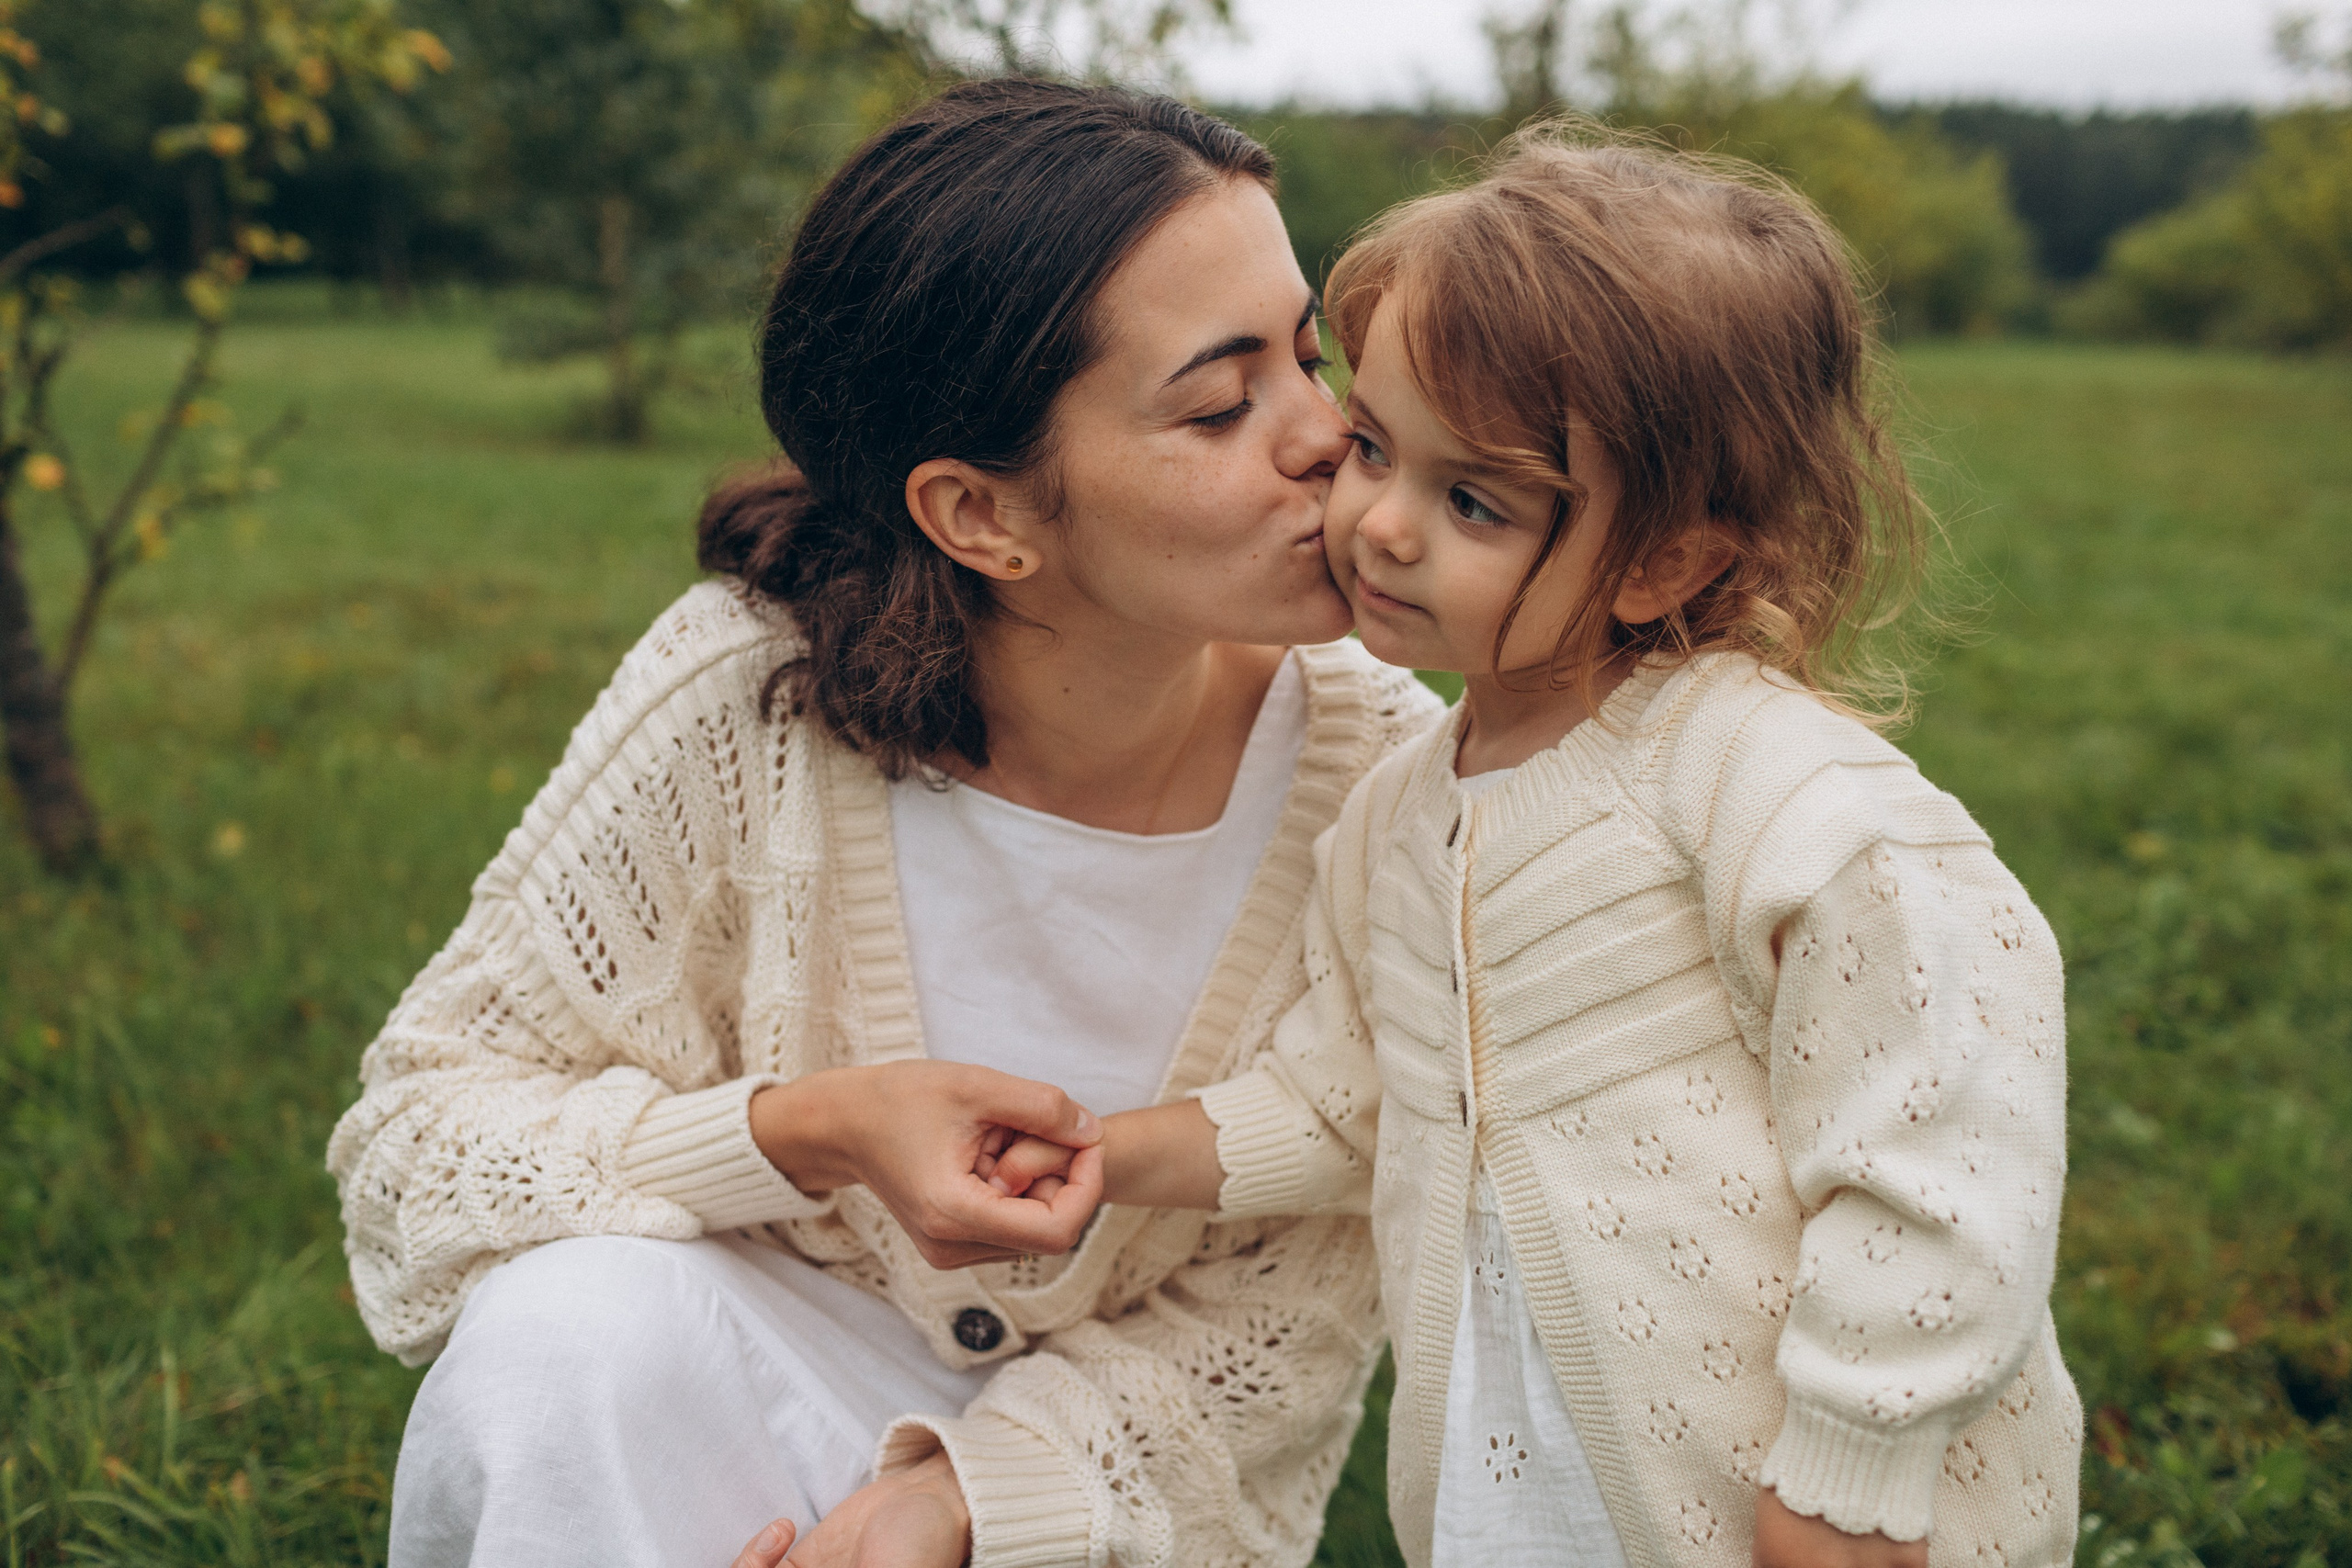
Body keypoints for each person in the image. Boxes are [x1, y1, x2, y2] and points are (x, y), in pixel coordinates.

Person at [327, 79, 1444, 1568]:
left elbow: (1294, 1318)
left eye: (1310, 354)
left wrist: (966, 1498)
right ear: (982, 517)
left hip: (1112, 1490)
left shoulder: (1397, 781)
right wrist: (808, 1132)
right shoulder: (745, 696)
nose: (1328, 438)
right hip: (744, 1393)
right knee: (563, 1337)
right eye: (1221, 400)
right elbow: (420, 1144)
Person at [977, 125, 2086, 1568]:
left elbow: (1944, 1155)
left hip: (1789, 1508)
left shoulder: (1772, 794)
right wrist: (1113, 1154)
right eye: (1373, 446)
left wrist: (1846, 1478)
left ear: (1666, 560)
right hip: (1523, 1480)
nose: (1375, 523)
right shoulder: (1400, 804)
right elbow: (1346, 1097)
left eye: (1473, 501)